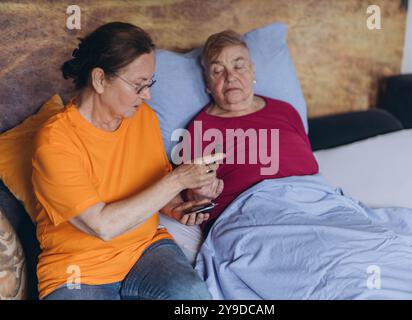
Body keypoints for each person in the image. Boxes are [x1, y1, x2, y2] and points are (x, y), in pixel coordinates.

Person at [31, 22, 223, 300]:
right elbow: (103, 226)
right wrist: (179, 179)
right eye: (138, 85)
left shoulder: (143, 117)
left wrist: (180, 207)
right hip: (78, 270)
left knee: (195, 296)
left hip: (145, 251)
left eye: (149, 84)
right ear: (99, 80)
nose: (148, 95)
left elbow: (153, 188)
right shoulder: (55, 141)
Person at [185, 30, 319, 236]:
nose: (230, 77)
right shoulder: (199, 130)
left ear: (253, 72)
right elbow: (190, 197)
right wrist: (198, 194)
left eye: (239, 66)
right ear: (208, 83)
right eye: (218, 71)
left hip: (316, 205)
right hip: (252, 220)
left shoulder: (286, 111)